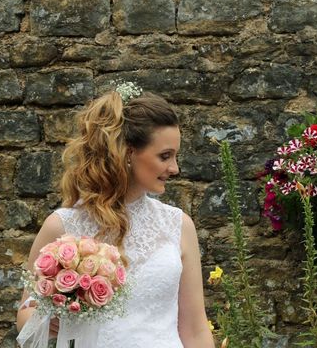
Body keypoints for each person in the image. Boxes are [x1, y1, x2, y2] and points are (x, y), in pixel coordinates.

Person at [16, 87, 215, 347]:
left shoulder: (178, 225)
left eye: (175, 156)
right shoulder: (63, 225)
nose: (174, 168)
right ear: (129, 153)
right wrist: (47, 318)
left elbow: (195, 330)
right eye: (165, 156)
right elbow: (26, 311)